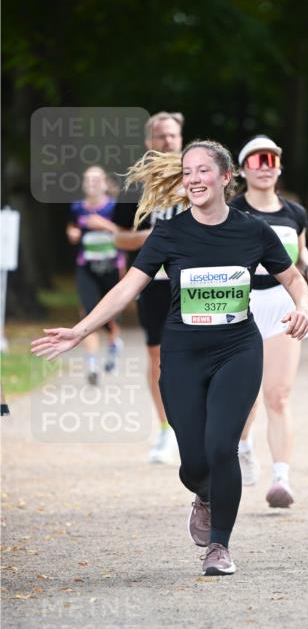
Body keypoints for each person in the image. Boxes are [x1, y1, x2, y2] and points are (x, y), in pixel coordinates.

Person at [33, 140, 308, 577]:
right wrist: (82, 329)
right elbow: (128, 287)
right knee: (195, 464)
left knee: (223, 448)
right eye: (188, 172)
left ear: (225, 178)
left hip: (238, 348)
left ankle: (219, 546)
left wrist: (304, 308)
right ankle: (203, 493)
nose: (195, 179)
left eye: (204, 171)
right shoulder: (170, 233)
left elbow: (294, 278)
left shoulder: (251, 230)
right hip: (183, 352)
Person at [229, 135, 308, 507]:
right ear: (241, 170)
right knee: (246, 393)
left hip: (283, 302)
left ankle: (281, 479)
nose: (265, 165)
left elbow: (301, 254)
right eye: (256, 160)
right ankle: (242, 445)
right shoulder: (232, 210)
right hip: (242, 302)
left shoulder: (294, 213)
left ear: (280, 167)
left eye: (271, 159)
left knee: (279, 394)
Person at [113, 111, 186, 464]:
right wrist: (147, 238)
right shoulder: (136, 186)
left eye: (172, 135)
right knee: (158, 357)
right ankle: (164, 429)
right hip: (153, 283)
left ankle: (195, 424)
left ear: (181, 138)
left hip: (193, 284)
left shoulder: (196, 178)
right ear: (148, 142)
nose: (167, 142)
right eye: (160, 136)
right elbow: (117, 237)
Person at [66, 164, 124, 386]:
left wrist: (104, 225)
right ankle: (91, 365)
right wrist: (72, 233)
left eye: (96, 180)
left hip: (111, 266)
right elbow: (72, 229)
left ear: (104, 184)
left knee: (110, 316)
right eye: (88, 180)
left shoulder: (114, 207)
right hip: (86, 267)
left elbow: (127, 235)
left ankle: (113, 344)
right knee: (88, 314)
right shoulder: (77, 207)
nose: (92, 184)